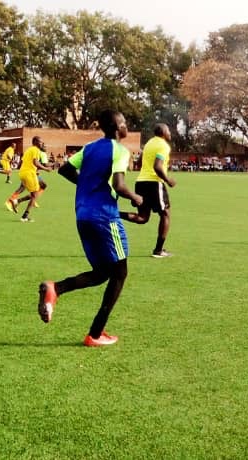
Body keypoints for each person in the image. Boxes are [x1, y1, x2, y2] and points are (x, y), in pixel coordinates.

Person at [37, 110, 142, 347]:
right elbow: (119, 184)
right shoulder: (120, 150)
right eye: (125, 122)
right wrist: (137, 199)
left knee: (102, 273)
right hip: (105, 216)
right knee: (120, 273)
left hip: (82, 214)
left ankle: (56, 288)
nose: (127, 126)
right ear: (118, 127)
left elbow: (64, 169)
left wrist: (89, 184)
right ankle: (95, 334)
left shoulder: (91, 147)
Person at [121, 123, 178, 258]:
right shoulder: (163, 146)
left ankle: (114, 214)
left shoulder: (149, 143)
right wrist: (168, 180)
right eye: (168, 130)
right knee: (165, 215)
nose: (170, 133)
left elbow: (139, 162)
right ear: (163, 132)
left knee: (142, 218)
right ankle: (159, 250)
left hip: (141, 181)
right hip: (154, 182)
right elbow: (157, 167)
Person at [5, 137, 52, 222]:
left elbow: (22, 162)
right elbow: (35, 162)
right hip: (29, 173)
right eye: (40, 142)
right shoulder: (35, 150)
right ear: (35, 142)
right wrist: (45, 169)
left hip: (23, 173)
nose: (41, 143)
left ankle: (16, 202)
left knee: (41, 186)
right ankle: (24, 216)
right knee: (34, 195)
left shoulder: (28, 150)